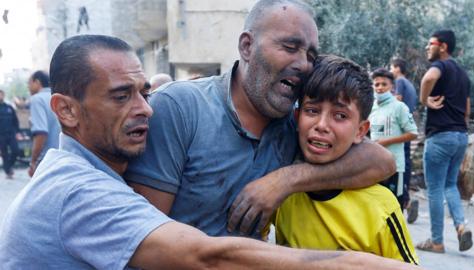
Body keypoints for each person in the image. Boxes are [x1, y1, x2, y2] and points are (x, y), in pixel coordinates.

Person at [0, 34, 419, 270]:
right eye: (121, 96)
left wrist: (284, 179)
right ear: (66, 111)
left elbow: (378, 159)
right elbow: (210, 256)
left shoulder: (88, 173)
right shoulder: (78, 191)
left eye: (144, 93)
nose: (145, 108)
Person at [125, 0, 396, 238]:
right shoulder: (180, 107)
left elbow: (381, 162)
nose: (303, 64)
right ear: (247, 46)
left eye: (311, 55)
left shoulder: (295, 127)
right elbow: (146, 238)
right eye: (290, 47)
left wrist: (284, 180)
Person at [274, 55, 418, 264]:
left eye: (340, 115)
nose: (322, 125)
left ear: (361, 131)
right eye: (312, 110)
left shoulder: (381, 206)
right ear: (297, 118)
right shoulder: (280, 193)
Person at [416, 29, 473, 253]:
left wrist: (424, 100)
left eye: (431, 43)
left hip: (441, 135)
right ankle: (460, 226)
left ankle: (437, 241)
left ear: (443, 47)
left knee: (435, 188)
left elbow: (428, 78)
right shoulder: (464, 74)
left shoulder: (441, 66)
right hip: (460, 136)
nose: (427, 48)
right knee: (450, 185)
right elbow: (466, 109)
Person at [369, 68, 418, 209]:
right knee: (376, 209)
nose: (380, 88)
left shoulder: (399, 107)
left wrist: (385, 142)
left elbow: (413, 133)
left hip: (394, 167)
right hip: (373, 167)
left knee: (394, 208)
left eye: (384, 84)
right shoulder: (371, 108)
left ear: (392, 87)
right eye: (376, 84)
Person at [390, 58, 419, 223]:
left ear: (398, 68)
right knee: (405, 162)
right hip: (409, 124)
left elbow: (397, 99)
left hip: (400, 127)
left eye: (392, 67)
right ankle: (407, 201)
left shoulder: (400, 81)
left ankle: (404, 199)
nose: (391, 70)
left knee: (398, 164)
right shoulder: (410, 84)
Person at [27, 70, 61, 176]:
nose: (28, 87)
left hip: (47, 161)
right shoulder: (58, 97)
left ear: (37, 82)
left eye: (29, 83)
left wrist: (33, 161)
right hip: (64, 157)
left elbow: (41, 133)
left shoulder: (37, 99)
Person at [0, 89, 20, 179]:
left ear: (3, 96)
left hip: (11, 134)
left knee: (16, 150)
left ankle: (9, 167)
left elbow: (15, 121)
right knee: (4, 154)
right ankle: (8, 171)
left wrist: (17, 132)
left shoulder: (9, 107)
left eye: (1, 94)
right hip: (1, 135)